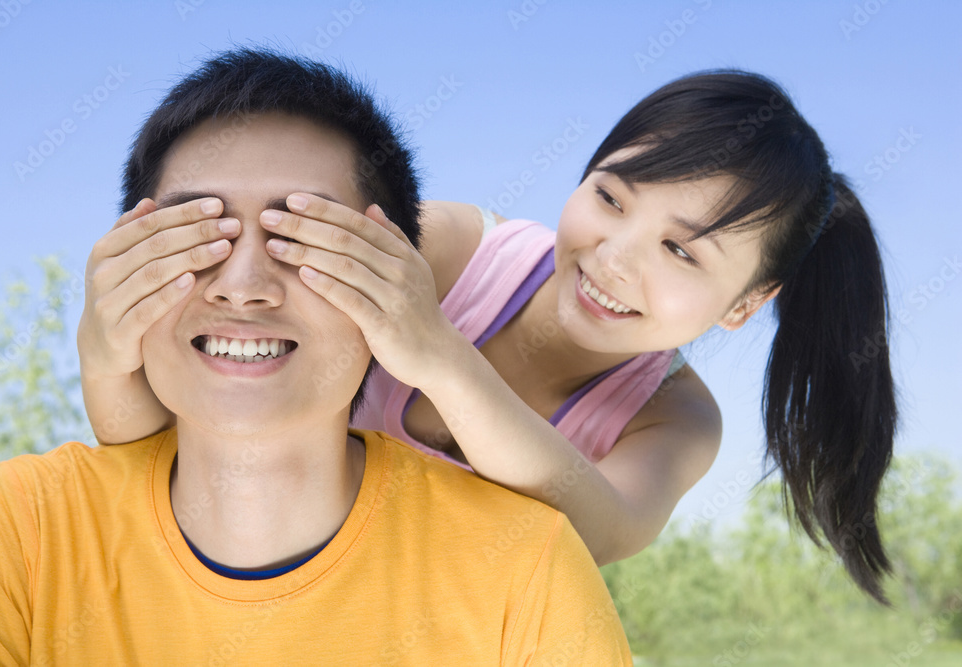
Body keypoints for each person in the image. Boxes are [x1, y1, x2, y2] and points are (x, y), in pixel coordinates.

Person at [79, 70, 896, 602]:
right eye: (610, 198)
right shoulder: (441, 250)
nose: (613, 258)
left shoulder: (673, 421)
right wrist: (104, 341)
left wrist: (435, 351)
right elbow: (171, 443)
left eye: (680, 250)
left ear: (745, 304)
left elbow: (601, 531)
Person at [0, 48, 631, 664]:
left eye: (299, 237)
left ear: (393, 285)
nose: (243, 286)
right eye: (199, 234)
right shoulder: (13, 526)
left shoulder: (526, 568)